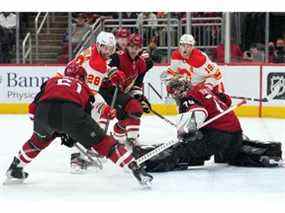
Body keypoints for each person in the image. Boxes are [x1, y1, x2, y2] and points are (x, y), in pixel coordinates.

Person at [5, 65, 153, 186]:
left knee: (36, 142)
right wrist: (106, 113)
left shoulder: (51, 82)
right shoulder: (85, 87)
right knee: (104, 143)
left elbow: (32, 111)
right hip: (72, 113)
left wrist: (53, 131)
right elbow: (87, 114)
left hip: (43, 113)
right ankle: (136, 169)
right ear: (82, 78)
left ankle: (15, 168)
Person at [136, 78, 283, 172]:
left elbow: (199, 113)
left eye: (174, 94)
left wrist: (186, 131)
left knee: (182, 149)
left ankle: (149, 161)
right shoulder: (204, 89)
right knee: (226, 155)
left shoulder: (188, 98)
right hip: (235, 134)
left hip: (217, 136)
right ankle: (269, 152)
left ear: (178, 92)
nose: (174, 97)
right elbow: (226, 101)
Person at [99, 33, 153, 150]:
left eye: (137, 47)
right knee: (134, 108)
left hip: (120, 94)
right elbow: (103, 70)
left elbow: (137, 85)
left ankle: (120, 138)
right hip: (106, 92)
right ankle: (130, 142)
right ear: (127, 46)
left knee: (133, 113)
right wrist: (111, 79)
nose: (134, 50)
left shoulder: (141, 64)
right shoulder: (116, 57)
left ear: (140, 48)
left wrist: (140, 98)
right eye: (131, 47)